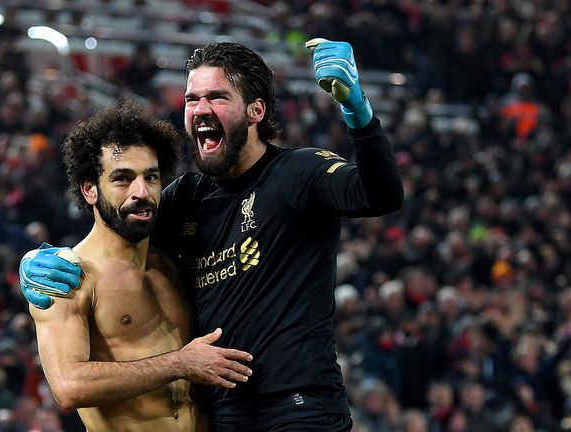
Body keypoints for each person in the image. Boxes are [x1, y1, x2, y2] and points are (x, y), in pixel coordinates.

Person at [21, 40, 403, 431]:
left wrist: (358, 112)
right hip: (226, 413)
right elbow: (117, 227)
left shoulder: (299, 172)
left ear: (257, 110)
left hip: (298, 404)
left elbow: (381, 194)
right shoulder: (186, 198)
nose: (201, 109)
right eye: (192, 98)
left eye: (217, 97)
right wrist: (38, 259)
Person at [25, 101, 253, 432]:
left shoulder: (170, 263)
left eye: (151, 177)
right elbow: (68, 386)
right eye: (123, 178)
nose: (141, 192)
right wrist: (180, 363)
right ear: (90, 189)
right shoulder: (68, 276)